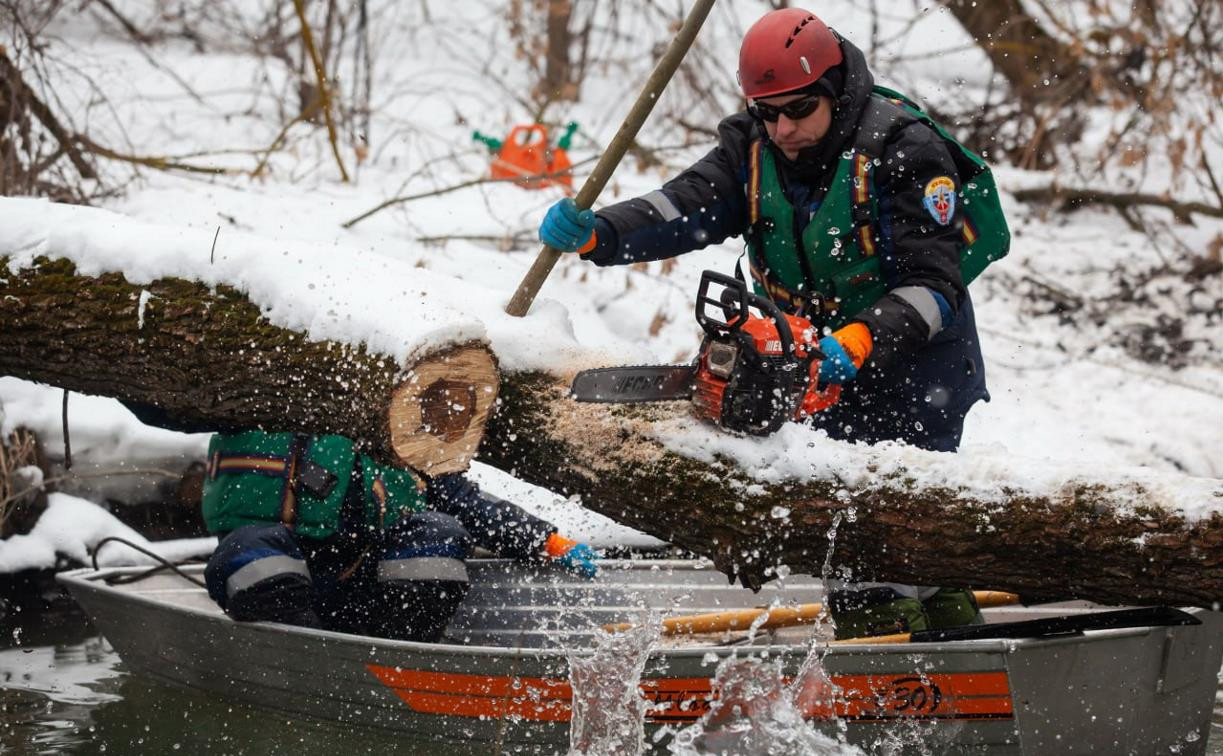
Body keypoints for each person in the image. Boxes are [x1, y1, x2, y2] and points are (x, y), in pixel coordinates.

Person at [537, 8, 1009, 640]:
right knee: (857, 542)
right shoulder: (751, 146)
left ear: (835, 91)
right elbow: (685, 203)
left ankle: (944, 668)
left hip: (918, 370)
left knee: (907, 538)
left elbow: (935, 283)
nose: (783, 127)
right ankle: (895, 650)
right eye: (768, 111)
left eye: (798, 109)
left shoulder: (904, 147)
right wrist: (604, 232)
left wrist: (862, 339)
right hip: (813, 365)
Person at [199, 430, 599, 641]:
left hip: (368, 595)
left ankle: (403, 657)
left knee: (438, 533)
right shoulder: (257, 405)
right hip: (290, 597)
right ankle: (306, 652)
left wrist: (544, 540)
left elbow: (461, 499)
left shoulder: (401, 428)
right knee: (248, 552)